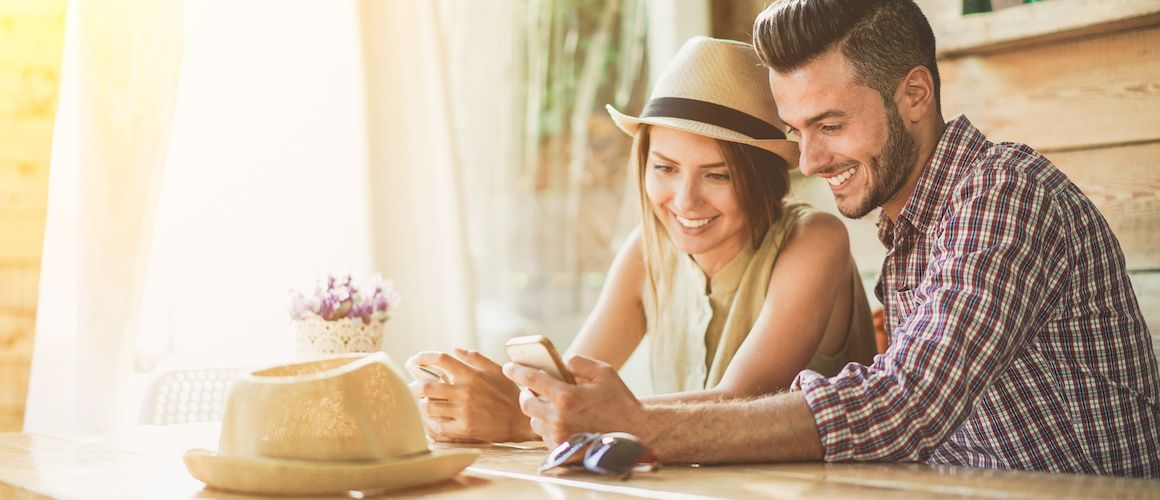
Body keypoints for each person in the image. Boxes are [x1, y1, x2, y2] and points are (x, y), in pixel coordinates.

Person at [506, 0, 1160, 477]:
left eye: (830, 125)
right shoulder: (912, 229)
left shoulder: (1002, 195)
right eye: (796, 131)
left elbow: (907, 403)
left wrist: (642, 426)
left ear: (914, 95)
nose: (810, 162)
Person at [408, 36, 878, 444]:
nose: (685, 200)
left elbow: (739, 405)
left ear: (763, 180)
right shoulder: (647, 250)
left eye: (717, 175)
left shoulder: (814, 239)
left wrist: (520, 418)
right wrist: (496, 396)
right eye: (665, 168)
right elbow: (571, 383)